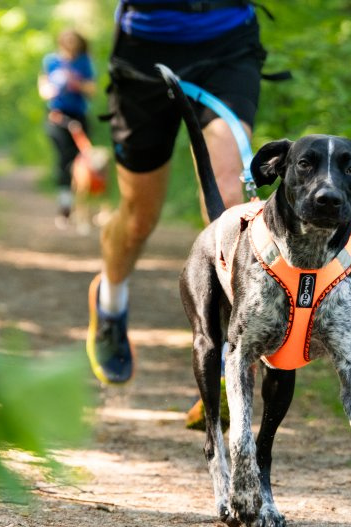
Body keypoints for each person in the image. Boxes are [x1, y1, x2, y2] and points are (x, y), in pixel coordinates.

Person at [87, 0, 267, 385]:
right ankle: (110, 302)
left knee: (228, 195)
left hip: (227, 44)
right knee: (138, 219)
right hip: (143, 52)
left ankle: (229, 357)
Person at [38, 29, 97, 225]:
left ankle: (83, 206)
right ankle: (65, 207)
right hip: (57, 117)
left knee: (81, 162)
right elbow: (44, 90)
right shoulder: (51, 61)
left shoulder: (84, 62)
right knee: (63, 159)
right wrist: (55, 87)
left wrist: (76, 83)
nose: (70, 43)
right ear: (61, 41)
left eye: (74, 40)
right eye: (67, 40)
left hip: (79, 118)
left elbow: (92, 90)